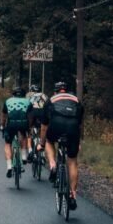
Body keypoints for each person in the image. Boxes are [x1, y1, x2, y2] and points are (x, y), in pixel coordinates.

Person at [38, 82, 84, 210]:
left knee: (49, 141)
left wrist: (41, 143)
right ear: (67, 91)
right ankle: (73, 196)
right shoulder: (76, 100)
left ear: (55, 92)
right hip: (73, 128)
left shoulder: (50, 100)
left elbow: (44, 127)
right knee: (73, 161)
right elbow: (80, 124)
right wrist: (78, 141)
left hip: (56, 125)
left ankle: (52, 165)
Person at [0, 87, 33, 178]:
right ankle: (23, 157)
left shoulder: (8, 101)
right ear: (24, 94)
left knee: (8, 144)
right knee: (23, 136)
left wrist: (2, 125)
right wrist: (29, 127)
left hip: (11, 124)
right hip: (23, 123)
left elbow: (4, 116)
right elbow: (30, 117)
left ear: (13, 94)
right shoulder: (28, 102)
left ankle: (9, 166)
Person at [26, 85, 47, 161]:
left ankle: (30, 150)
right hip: (42, 113)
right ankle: (43, 155)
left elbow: (27, 105)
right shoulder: (44, 95)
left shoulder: (29, 95)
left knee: (29, 131)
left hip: (33, 112)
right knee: (42, 130)